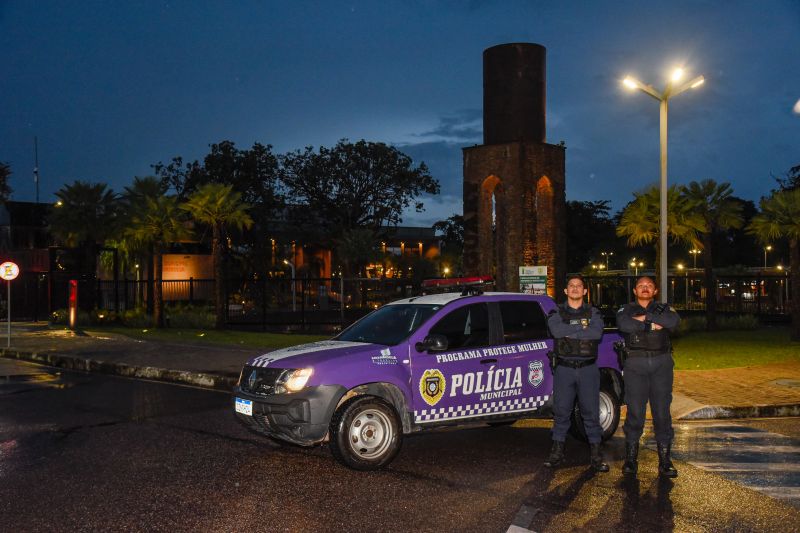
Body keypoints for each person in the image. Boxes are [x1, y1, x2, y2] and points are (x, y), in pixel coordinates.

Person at [616, 276, 680, 478]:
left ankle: (665, 461)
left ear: (655, 291)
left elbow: (673, 321)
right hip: (635, 365)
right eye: (641, 286)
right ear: (635, 290)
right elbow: (624, 325)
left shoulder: (665, 308)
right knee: (635, 412)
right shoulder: (625, 309)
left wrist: (643, 319)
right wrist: (652, 322)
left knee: (662, 413)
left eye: (649, 286)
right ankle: (631, 460)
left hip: (661, 364)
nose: (645, 288)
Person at [543, 275, 609, 472]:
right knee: (561, 412)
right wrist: (582, 326)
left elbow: (596, 333)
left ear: (584, 291)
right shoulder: (557, 311)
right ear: (565, 291)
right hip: (564, 369)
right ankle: (556, 454)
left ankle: (596, 457)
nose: (574, 288)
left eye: (578, 286)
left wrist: (570, 330)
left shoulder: (594, 312)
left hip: (588, 369)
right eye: (571, 286)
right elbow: (556, 330)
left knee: (591, 413)